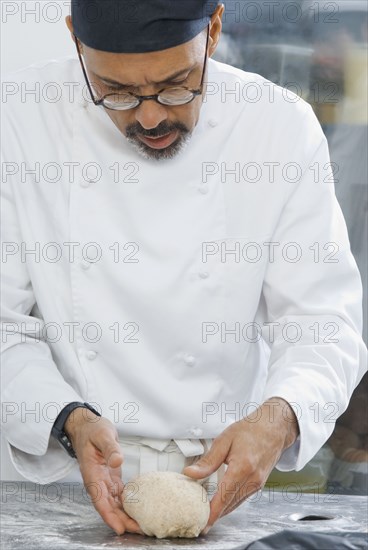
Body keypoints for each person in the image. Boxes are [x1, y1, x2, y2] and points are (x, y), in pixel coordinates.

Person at [1, 0, 366, 537]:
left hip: (219, 485)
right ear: (76, 40)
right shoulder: (18, 118)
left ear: (214, 30)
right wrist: (67, 421)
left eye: (176, 86)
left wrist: (278, 419)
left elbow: (324, 326)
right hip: (57, 484)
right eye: (116, 92)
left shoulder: (278, 128)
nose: (149, 117)